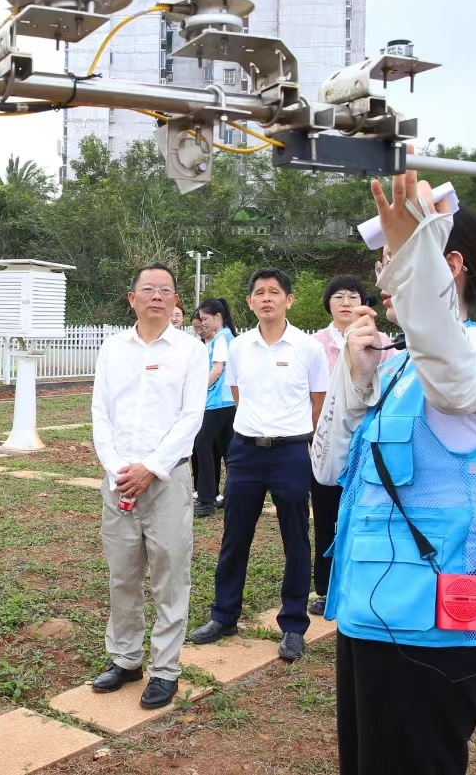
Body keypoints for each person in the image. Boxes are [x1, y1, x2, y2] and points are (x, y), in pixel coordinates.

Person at [312, 165, 476, 775]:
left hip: (434, 629)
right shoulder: (397, 368)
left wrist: (417, 246)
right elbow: (328, 470)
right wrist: (352, 378)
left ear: (444, 264)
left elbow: (454, 381)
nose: (383, 278)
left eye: (396, 258)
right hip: (369, 613)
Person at [190, 267, 329, 662]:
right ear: (250, 302)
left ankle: (293, 625)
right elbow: (238, 394)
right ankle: (224, 614)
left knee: (295, 539)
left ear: (289, 299)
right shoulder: (239, 347)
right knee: (235, 537)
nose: (267, 298)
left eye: (275, 292)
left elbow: (318, 403)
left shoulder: (308, 348)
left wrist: (298, 439)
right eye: (259, 293)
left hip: (290, 453)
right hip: (246, 452)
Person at [90, 263, 207, 709]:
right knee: (123, 575)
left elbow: (190, 417)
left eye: (166, 290)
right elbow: (101, 412)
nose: (157, 296)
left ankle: (165, 669)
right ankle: (125, 659)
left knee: (169, 576)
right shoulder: (112, 348)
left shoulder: (191, 351)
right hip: (118, 480)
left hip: (168, 479)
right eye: (148, 289)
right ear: (132, 298)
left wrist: (150, 468)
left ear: (176, 300)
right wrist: (119, 468)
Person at [308, 276, 395, 616]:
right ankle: (326, 588)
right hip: (328, 443)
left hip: (371, 443)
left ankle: (363, 585)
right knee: (327, 516)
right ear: (328, 303)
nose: (345, 302)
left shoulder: (384, 342)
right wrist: (310, 442)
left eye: (352, 296)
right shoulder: (315, 344)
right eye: (338, 296)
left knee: (369, 515)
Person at [190, 298, 237, 516]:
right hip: (228, 403)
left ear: (218, 317)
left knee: (202, 445)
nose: (203, 323)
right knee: (228, 451)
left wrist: (198, 390)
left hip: (216, 403)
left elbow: (217, 369)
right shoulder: (228, 337)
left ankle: (207, 498)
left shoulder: (221, 338)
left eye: (206, 319)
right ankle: (231, 497)